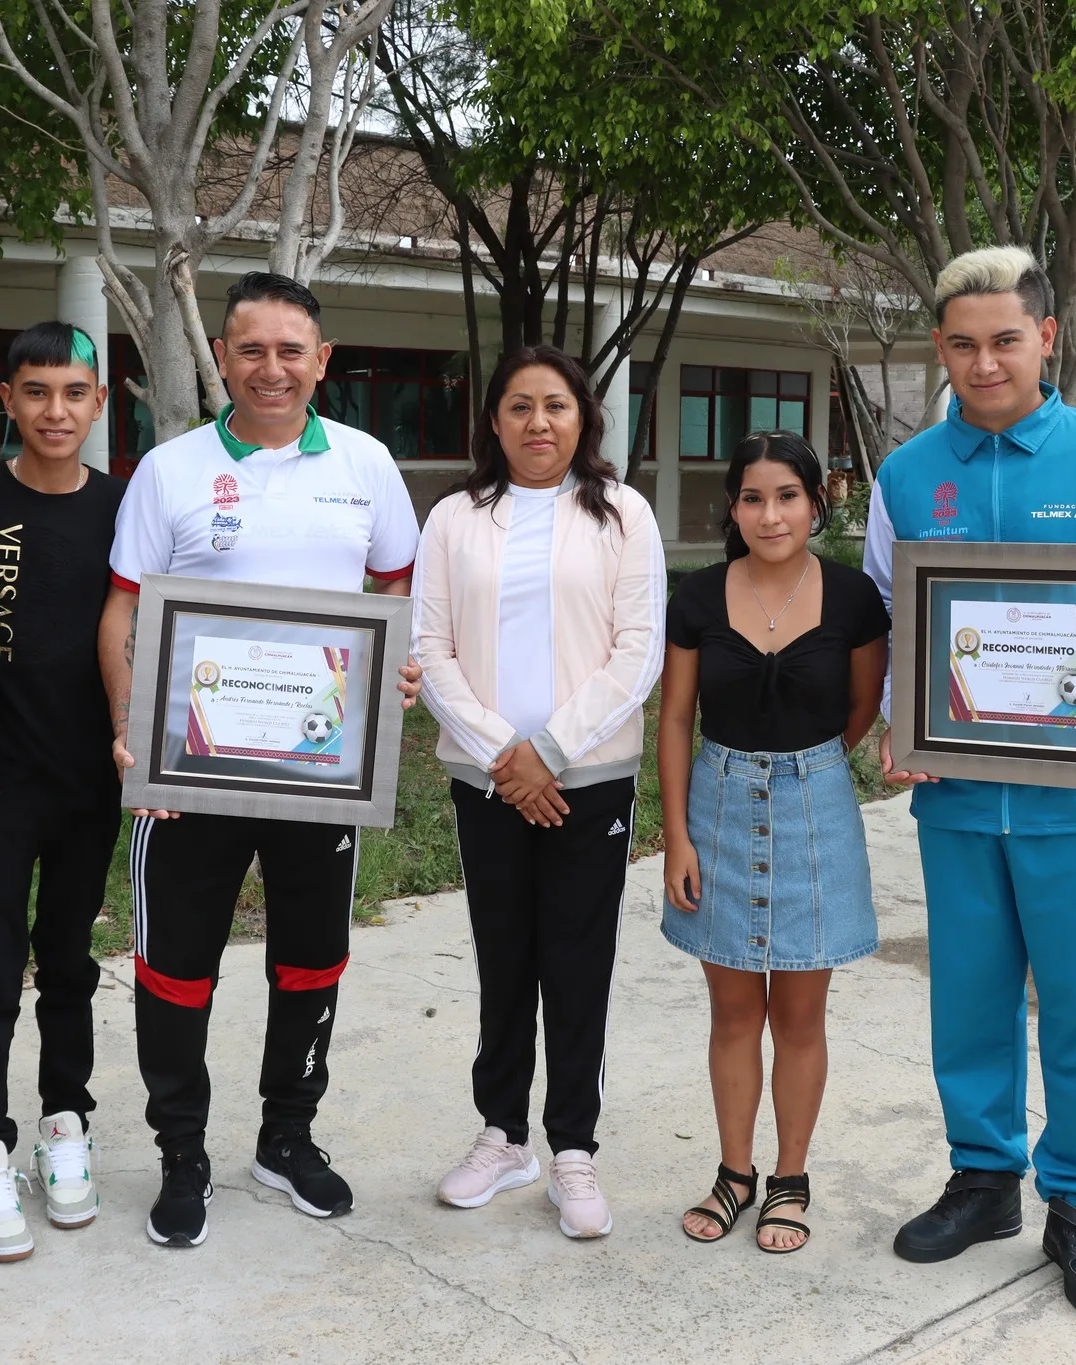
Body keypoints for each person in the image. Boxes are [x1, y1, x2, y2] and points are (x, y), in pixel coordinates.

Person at [865, 246, 1076, 1318]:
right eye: (961, 343)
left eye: (1003, 339)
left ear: (1045, 338)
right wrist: (892, 719)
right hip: (956, 794)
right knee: (965, 997)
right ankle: (981, 1179)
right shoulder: (910, 474)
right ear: (940, 349)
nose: (983, 361)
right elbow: (886, 611)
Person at [99, 271, 421, 1249]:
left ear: (321, 362)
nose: (271, 368)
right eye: (250, 350)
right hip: (189, 770)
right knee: (174, 969)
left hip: (320, 770)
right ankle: (181, 1155)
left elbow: (401, 590)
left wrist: (396, 674)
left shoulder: (365, 466)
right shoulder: (171, 470)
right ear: (221, 361)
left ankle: (287, 1137)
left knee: (309, 962)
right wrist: (129, 730)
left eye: (291, 350)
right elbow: (122, 608)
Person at [412, 346, 665, 1240]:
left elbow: (638, 650)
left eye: (555, 406)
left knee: (577, 959)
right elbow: (430, 648)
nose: (537, 423)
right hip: (488, 783)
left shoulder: (622, 514)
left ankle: (572, 1147)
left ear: (583, 418)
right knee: (505, 954)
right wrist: (502, 756)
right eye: (518, 407)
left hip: (587, 781)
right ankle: (502, 1133)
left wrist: (550, 751)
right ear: (493, 421)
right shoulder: (452, 519)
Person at [659, 431, 889, 1255]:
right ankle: (733, 1171)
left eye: (787, 495)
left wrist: (813, 769)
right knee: (731, 1011)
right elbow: (676, 719)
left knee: (799, 1010)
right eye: (752, 497)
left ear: (816, 503)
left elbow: (861, 708)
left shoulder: (857, 598)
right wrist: (676, 835)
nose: (770, 513)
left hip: (814, 805)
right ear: (732, 508)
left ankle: (790, 1177)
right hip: (715, 806)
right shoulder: (694, 598)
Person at [0, 322, 127, 1262]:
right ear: (8, 398)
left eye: (74, 392)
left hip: (89, 777)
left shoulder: (124, 504)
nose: (57, 410)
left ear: (100, 402)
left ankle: (66, 1124)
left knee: (67, 961)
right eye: (37, 391)